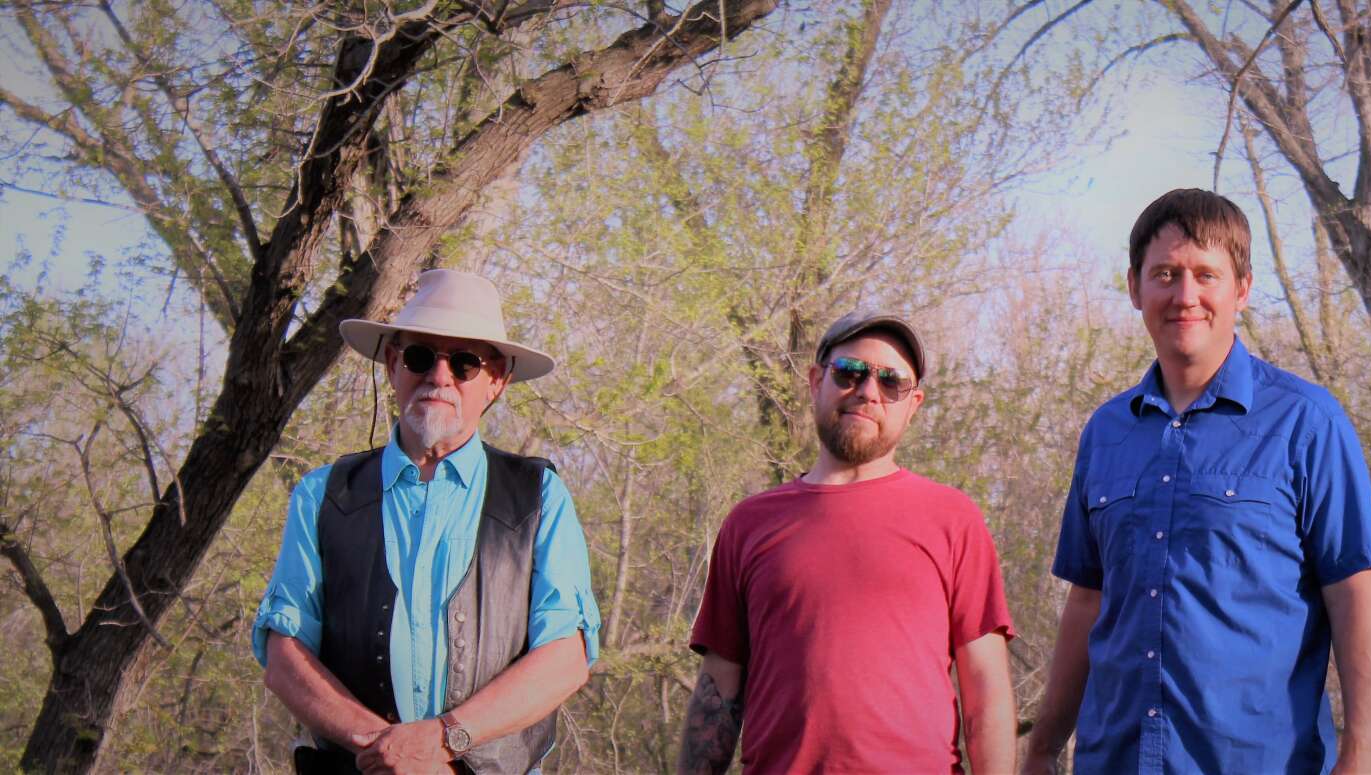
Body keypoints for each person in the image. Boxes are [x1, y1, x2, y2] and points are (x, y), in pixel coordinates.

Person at [1023, 189, 1371, 774]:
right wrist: (1043, 747)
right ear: (1134, 287)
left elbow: (1352, 591)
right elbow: (1087, 600)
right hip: (1115, 761)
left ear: (1241, 289)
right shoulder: (1106, 432)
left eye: (1206, 275)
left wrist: (1364, 755)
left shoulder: (1307, 421)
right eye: (1165, 275)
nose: (1185, 296)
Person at [252, 268, 603, 774]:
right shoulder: (322, 495)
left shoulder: (539, 498)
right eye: (421, 355)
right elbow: (284, 653)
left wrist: (442, 741)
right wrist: (387, 751)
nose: (439, 376)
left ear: (497, 380)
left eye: (464, 362)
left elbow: (566, 656)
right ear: (393, 364)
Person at [680, 312, 1017, 774]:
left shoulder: (953, 520)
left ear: (913, 403)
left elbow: (986, 690)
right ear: (816, 381)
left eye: (892, 382)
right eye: (850, 372)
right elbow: (718, 688)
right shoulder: (748, 524)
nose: (868, 391)